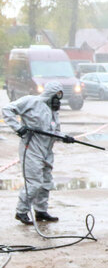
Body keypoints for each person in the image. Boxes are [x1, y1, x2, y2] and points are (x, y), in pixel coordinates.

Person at [2, 81, 73, 225]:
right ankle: (21, 211)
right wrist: (18, 128)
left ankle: (41, 211)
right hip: (31, 148)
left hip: (47, 149)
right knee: (34, 182)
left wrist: (64, 137)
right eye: (57, 95)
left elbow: (53, 131)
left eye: (60, 95)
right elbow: (6, 110)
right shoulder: (31, 101)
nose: (58, 99)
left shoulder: (53, 111)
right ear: (50, 93)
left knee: (46, 182)